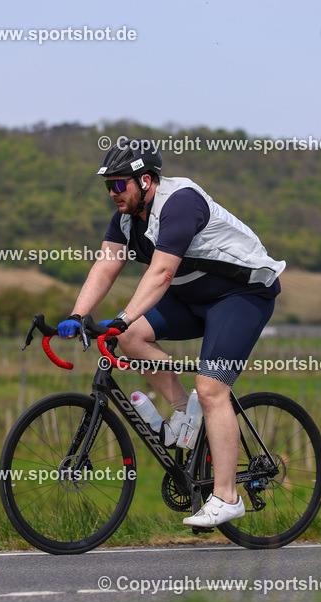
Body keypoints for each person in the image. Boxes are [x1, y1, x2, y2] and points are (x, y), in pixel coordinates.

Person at [57, 139, 285, 527]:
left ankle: (228, 496)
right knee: (127, 339)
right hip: (192, 297)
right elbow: (106, 265)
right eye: (107, 186)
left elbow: (161, 273)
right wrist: (79, 315)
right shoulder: (127, 220)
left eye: (118, 185)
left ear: (145, 180)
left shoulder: (180, 203)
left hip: (242, 294)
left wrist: (123, 316)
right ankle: (185, 417)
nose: (112, 193)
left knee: (212, 388)